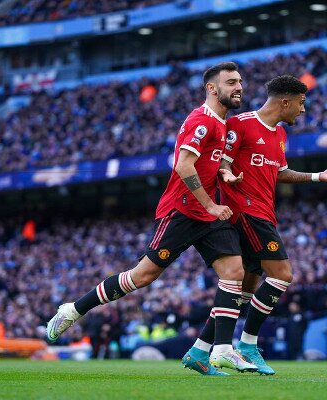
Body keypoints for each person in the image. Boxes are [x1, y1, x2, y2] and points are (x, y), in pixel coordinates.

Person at [46, 62, 257, 376]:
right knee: (141, 277)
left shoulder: (223, 125)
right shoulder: (200, 121)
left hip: (208, 212)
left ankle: (221, 349)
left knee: (234, 272)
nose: (239, 87)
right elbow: (184, 167)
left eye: (239, 81)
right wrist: (211, 206)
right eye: (231, 82)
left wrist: (223, 174)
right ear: (212, 88)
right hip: (182, 212)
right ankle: (74, 309)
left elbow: (207, 166)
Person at [184, 75, 327, 374]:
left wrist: (317, 176)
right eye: (301, 103)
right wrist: (226, 174)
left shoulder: (279, 134)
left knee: (243, 293)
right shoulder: (241, 124)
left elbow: (281, 172)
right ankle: (248, 344)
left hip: (264, 211)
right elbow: (221, 161)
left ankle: (199, 351)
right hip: (246, 212)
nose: (303, 110)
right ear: (285, 101)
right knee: (282, 275)